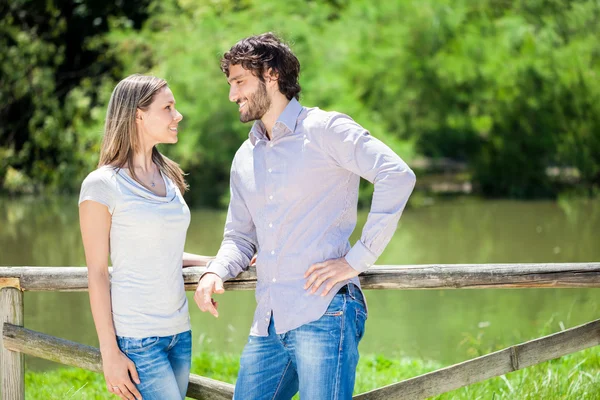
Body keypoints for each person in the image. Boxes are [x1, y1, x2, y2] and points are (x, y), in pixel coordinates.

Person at [194, 33, 416, 399]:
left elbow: (396, 174)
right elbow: (239, 238)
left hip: (325, 312)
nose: (232, 95)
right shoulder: (244, 157)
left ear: (271, 74)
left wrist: (356, 259)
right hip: (268, 321)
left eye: (239, 82)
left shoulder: (326, 130)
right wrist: (216, 270)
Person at [79, 74, 212, 400]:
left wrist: (217, 262)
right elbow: (97, 272)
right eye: (167, 107)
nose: (177, 115)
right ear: (138, 115)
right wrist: (110, 352)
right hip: (138, 339)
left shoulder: (169, 177)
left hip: (179, 333)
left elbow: (160, 253)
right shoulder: (102, 185)